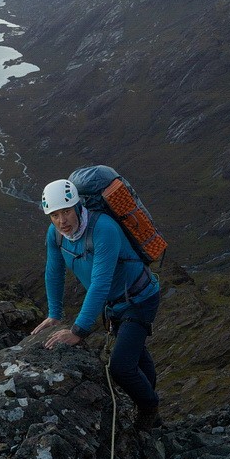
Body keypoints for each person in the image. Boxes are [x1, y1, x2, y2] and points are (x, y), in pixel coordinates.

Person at [31, 178, 165, 430]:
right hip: (115, 305)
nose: (62, 221)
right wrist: (54, 314)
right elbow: (54, 270)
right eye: (55, 215)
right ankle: (147, 402)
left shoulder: (104, 228)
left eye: (67, 212)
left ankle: (150, 410)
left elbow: (100, 283)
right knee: (135, 354)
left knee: (121, 367)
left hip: (140, 298)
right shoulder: (56, 235)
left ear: (77, 206)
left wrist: (78, 331)